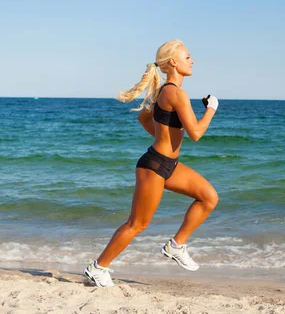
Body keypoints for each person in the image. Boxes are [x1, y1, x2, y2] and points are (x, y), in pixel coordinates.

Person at [84, 40, 219, 287]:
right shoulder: (176, 93)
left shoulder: (163, 92)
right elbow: (196, 133)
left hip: (168, 164)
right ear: (174, 63)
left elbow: (144, 118)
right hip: (155, 166)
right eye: (187, 56)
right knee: (137, 224)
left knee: (208, 197)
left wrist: (163, 137)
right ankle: (98, 267)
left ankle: (176, 245)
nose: (192, 61)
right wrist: (212, 108)